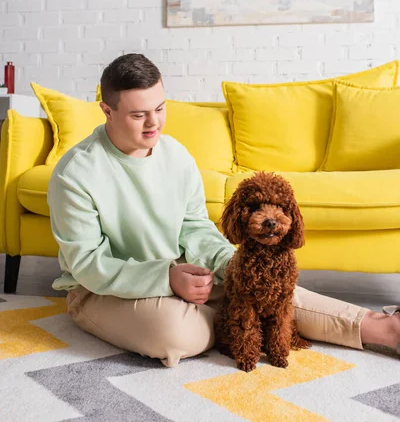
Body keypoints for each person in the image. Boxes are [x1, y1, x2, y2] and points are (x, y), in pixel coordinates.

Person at [48, 53, 400, 367]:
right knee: (180, 336)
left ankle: (386, 329)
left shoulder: (176, 155)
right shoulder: (75, 173)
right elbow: (88, 265)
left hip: (183, 274)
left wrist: (228, 265)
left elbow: (195, 227)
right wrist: (166, 278)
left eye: (160, 108)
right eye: (138, 114)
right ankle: (228, 319)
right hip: (101, 292)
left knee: (264, 287)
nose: (153, 123)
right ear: (107, 110)